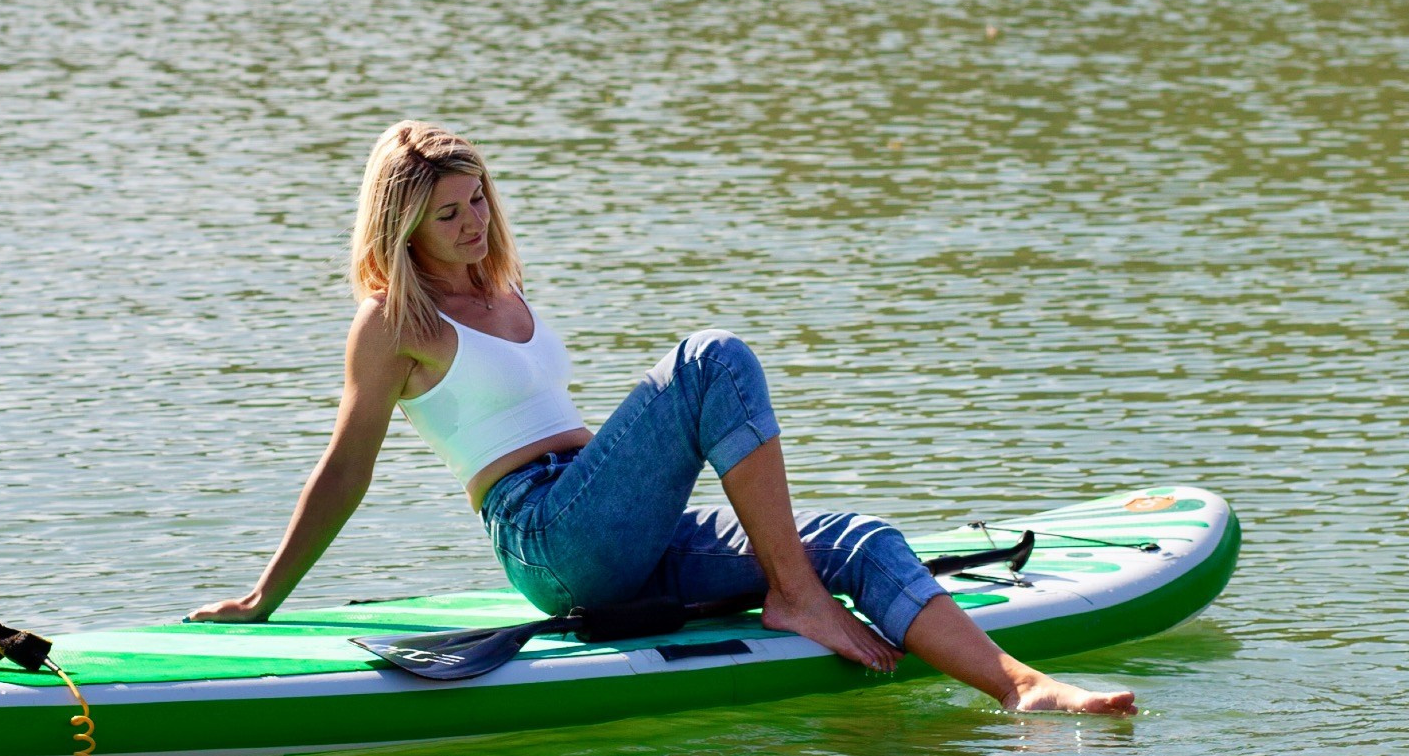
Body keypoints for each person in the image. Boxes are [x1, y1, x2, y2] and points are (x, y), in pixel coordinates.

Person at [194, 121, 1135, 717]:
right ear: (402, 227)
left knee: (854, 536)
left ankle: (1020, 688)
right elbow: (345, 468)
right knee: (709, 358)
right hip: (550, 538)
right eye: (448, 214)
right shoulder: (396, 323)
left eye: (479, 198)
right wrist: (265, 595)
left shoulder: (496, 283)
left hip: (621, 524)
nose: (474, 222)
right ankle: (795, 596)